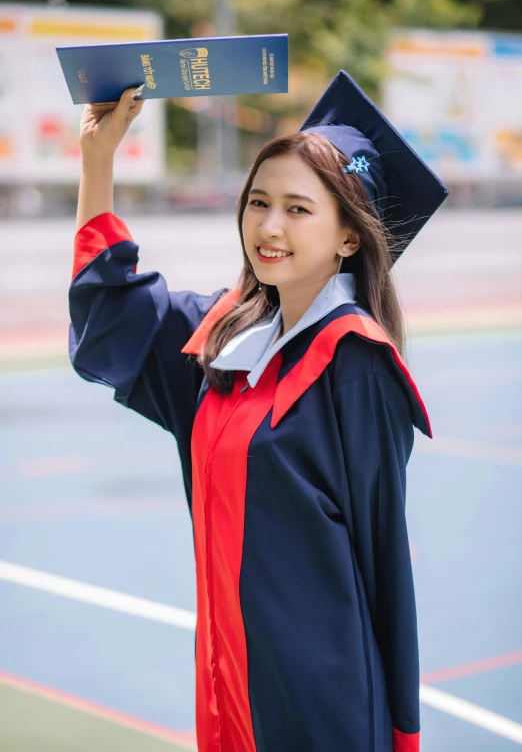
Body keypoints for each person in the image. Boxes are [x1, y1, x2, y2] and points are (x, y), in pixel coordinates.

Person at [69, 70, 448, 752]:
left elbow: (385, 561)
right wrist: (99, 161)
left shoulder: (357, 364)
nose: (269, 227)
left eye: (299, 209)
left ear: (348, 238)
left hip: (317, 698)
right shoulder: (223, 339)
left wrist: (399, 732)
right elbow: (108, 318)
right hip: (228, 678)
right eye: (258, 202)